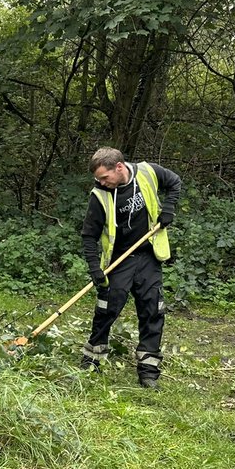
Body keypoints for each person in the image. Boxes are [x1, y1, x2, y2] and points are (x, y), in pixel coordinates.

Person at [80, 148, 181, 388]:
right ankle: (92, 361)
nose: (101, 182)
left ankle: (148, 370)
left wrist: (168, 209)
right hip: (118, 260)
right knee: (108, 308)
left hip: (148, 255)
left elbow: (175, 182)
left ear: (119, 167)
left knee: (152, 309)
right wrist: (95, 268)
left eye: (105, 177)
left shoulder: (148, 172)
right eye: (98, 179)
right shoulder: (99, 195)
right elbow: (88, 236)